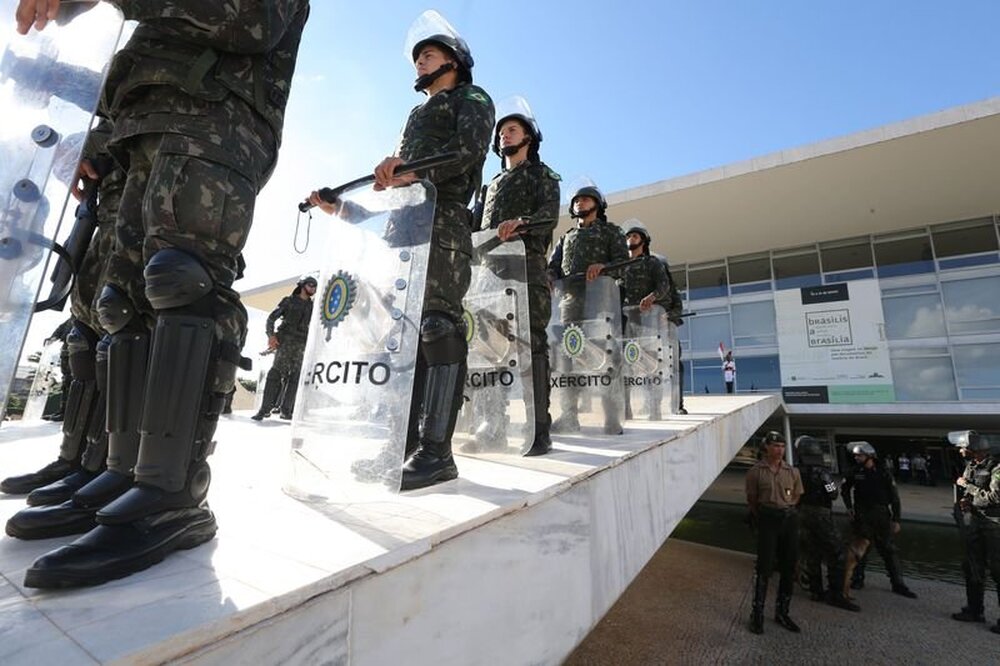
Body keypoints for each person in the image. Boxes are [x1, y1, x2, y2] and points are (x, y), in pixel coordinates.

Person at [17, 0, 310, 589]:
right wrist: (93, 136)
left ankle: (171, 492)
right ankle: (123, 470)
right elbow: (141, 66)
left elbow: (246, 21)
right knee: (118, 308)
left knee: (184, 281)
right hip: (143, 134)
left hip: (213, 126)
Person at [309, 10, 493, 490]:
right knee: (404, 339)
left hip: (444, 222)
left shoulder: (472, 98)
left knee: (436, 325)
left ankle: (436, 453)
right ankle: (402, 446)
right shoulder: (415, 114)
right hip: (404, 228)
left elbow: (468, 153)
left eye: (427, 55)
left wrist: (414, 170)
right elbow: (396, 190)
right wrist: (343, 209)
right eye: (416, 60)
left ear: (453, 60)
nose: (420, 65)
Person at [477, 98, 560, 456]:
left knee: (531, 348)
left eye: (511, 129)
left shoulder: (543, 175)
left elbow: (549, 215)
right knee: (488, 350)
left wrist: (522, 223)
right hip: (488, 278)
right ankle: (492, 425)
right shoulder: (490, 185)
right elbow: (475, 224)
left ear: (529, 137)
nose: (503, 136)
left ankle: (538, 428)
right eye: (500, 132)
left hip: (526, 270)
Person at [546, 184, 628, 434]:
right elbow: (554, 265)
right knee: (568, 361)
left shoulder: (611, 232)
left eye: (585, 198)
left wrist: (603, 267)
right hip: (570, 306)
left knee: (604, 359)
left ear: (597, 204)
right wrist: (549, 276)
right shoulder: (566, 237)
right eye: (577, 200)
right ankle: (569, 416)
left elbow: (623, 265)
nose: (580, 202)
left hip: (600, 304)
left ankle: (612, 417)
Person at [611, 221, 685, 418]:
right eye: (628, 236)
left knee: (651, 364)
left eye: (635, 236)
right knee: (626, 366)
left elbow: (664, 286)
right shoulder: (619, 267)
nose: (630, 239)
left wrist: (652, 298)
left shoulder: (652, 263)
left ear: (643, 241)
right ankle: (626, 410)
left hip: (649, 321)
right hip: (628, 322)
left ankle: (655, 409)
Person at [841, 441, 918, 599]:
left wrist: (896, 519)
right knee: (861, 549)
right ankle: (857, 579)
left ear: (869, 456)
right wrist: (849, 508)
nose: (857, 458)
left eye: (860, 455)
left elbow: (894, 497)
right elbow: (844, 490)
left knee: (889, 550)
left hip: (881, 514)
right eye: (855, 455)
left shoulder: (883, 472)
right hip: (862, 514)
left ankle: (898, 584)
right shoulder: (854, 471)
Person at [745, 430, 803, 634]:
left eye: (782, 446)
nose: (779, 450)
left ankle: (782, 612)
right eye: (775, 446)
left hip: (789, 519)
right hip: (767, 519)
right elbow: (752, 499)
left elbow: (797, 495)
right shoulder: (755, 471)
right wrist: (765, 513)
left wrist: (786, 507)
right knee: (764, 567)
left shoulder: (793, 471)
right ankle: (757, 614)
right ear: (766, 448)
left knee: (788, 566)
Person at [794, 436, 859, 612]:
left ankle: (816, 590)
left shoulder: (795, 471)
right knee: (837, 552)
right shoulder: (822, 473)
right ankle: (835, 594)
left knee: (811, 553)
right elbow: (833, 493)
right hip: (820, 514)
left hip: (801, 514)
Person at [950, 430, 1000, 631]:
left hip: (994, 525)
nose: (960, 450)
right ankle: (974, 610)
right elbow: (970, 493)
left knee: (998, 571)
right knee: (971, 567)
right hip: (974, 523)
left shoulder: (997, 468)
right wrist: (965, 501)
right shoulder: (970, 467)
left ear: (974, 450)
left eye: (963, 447)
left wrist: (968, 487)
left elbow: (994, 497)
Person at [252, 275, 317, 421]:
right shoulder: (288, 301)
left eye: (315, 286)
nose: (313, 288)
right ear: (302, 285)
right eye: (310, 285)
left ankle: (286, 410)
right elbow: (271, 318)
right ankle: (264, 410)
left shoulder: (313, 306)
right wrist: (270, 336)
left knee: (295, 377)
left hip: (301, 344)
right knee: (275, 374)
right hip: (286, 342)